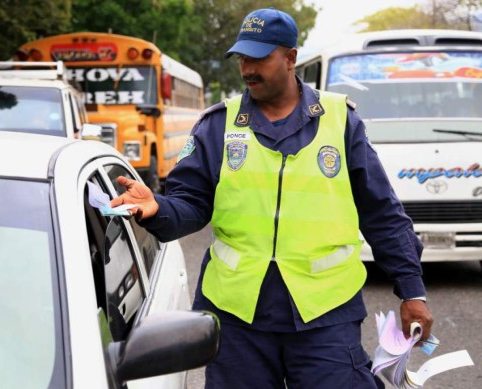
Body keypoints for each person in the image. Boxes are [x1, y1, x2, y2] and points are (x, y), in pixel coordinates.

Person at [110, 7, 433, 389]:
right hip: (237, 317)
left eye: (259, 58)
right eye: (242, 58)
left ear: (290, 58)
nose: (247, 69)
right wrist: (157, 208)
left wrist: (412, 290)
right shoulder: (219, 125)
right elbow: (191, 204)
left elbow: (382, 213)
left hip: (325, 316)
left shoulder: (340, 121)